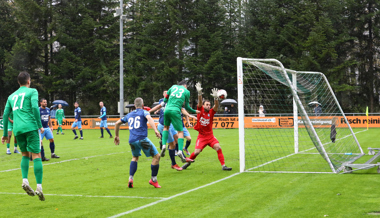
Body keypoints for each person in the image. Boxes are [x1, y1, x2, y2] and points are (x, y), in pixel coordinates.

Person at [1, 71, 46, 201]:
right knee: (36, 155)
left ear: (18, 82)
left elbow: (5, 115)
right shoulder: (32, 91)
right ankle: (39, 187)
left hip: (18, 129)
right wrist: (39, 125)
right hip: (30, 127)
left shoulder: (11, 96)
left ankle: (25, 180)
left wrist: (4, 135)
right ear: (28, 81)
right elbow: (34, 108)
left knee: (25, 154)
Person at [182, 82, 232, 171]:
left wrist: (216, 98)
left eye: (209, 105)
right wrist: (199, 94)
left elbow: (216, 106)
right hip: (201, 137)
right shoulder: (200, 110)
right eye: (207, 105)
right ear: (204, 106)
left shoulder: (211, 112)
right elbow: (200, 102)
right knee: (197, 152)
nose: (209, 106)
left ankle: (223, 166)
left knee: (218, 147)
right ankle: (187, 163)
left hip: (210, 136)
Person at [114, 97, 162, 188]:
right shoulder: (144, 112)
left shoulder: (129, 114)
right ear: (143, 105)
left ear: (134, 105)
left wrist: (117, 136)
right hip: (142, 139)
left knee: (135, 158)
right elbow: (150, 119)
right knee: (157, 156)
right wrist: (155, 130)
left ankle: (130, 178)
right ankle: (153, 180)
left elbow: (117, 123)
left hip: (132, 140)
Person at [161, 80, 200, 163]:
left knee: (166, 127)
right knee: (180, 132)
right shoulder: (186, 91)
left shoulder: (172, 87)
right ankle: (179, 151)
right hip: (176, 111)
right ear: (185, 86)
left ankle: (164, 145)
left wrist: (167, 102)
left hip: (167, 110)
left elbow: (165, 99)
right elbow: (187, 107)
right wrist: (195, 111)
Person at [149, 90, 183, 171]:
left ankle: (179, 153)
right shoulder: (165, 101)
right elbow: (158, 106)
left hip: (168, 125)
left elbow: (158, 107)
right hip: (164, 125)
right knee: (172, 144)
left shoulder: (167, 102)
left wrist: (149, 111)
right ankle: (173, 163)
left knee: (177, 139)